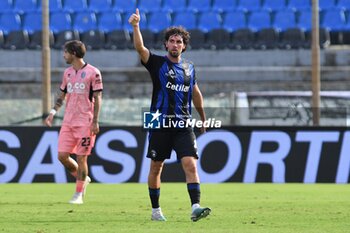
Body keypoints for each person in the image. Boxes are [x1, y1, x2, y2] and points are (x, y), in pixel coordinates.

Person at [129, 9, 211, 222]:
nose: (175, 44)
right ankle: (156, 210)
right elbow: (140, 47)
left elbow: (196, 93)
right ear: (166, 44)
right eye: (172, 41)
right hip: (158, 122)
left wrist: (203, 117)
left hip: (183, 123)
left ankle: (195, 206)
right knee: (157, 167)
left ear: (184, 46)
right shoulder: (156, 63)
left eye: (179, 41)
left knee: (191, 164)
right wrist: (136, 26)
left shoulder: (189, 68)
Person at [45, 40, 103, 205]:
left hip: (86, 122)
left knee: (81, 158)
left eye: (65, 52)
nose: (64, 55)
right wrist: (52, 112)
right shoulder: (68, 73)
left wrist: (95, 121)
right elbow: (62, 94)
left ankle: (78, 194)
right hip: (68, 122)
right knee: (62, 156)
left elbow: (98, 97)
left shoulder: (93, 72)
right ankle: (83, 179)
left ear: (74, 53)